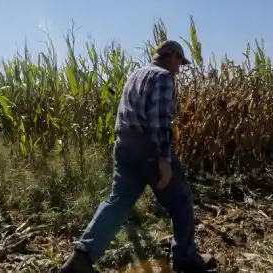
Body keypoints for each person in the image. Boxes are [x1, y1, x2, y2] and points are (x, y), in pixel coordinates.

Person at [60, 40, 217, 273]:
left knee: (117, 202)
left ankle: (82, 258)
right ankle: (186, 258)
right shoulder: (163, 77)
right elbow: (159, 120)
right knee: (181, 199)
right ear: (171, 56)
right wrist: (163, 160)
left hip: (124, 146)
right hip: (149, 149)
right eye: (179, 62)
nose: (179, 68)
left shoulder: (135, 75)